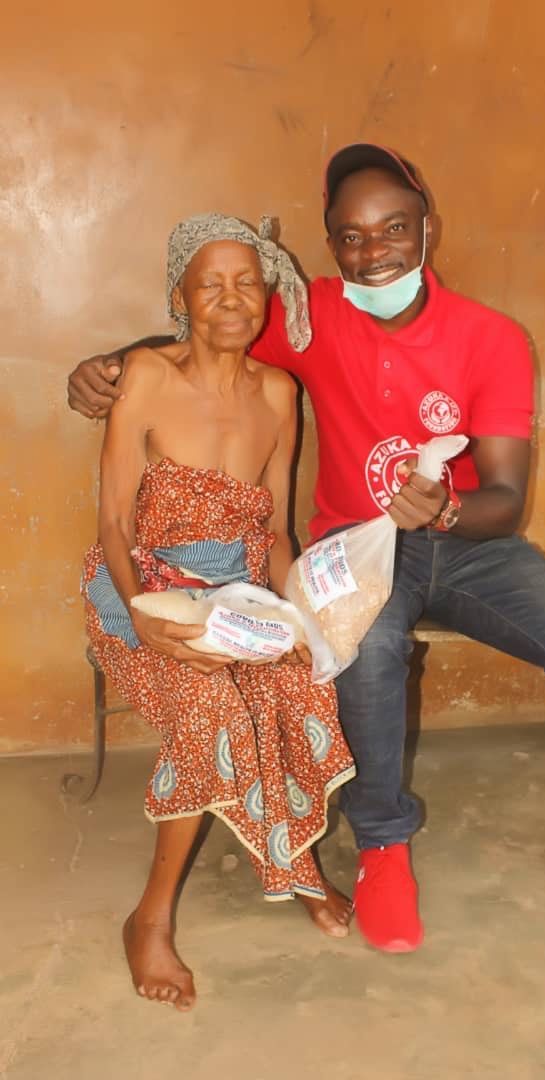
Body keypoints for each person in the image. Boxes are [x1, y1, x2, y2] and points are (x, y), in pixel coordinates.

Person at [69, 144, 545, 956]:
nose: (374, 250)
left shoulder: (491, 337)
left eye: (393, 227)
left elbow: (506, 498)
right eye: (350, 236)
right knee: (369, 653)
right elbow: (212, 320)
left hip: (469, 546)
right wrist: (108, 365)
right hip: (354, 548)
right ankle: (384, 848)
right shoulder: (310, 315)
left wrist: (447, 508)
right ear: (330, 245)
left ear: (426, 223)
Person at [80, 212, 355, 1010]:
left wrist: (299, 614)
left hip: (238, 594)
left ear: (268, 297)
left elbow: (272, 530)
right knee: (209, 705)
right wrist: (140, 615)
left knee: (303, 686)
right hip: (139, 583)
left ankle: (295, 858)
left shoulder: (280, 391)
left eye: (249, 284)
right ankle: (149, 919)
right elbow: (114, 526)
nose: (233, 300)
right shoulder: (145, 378)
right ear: (181, 297)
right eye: (213, 285)